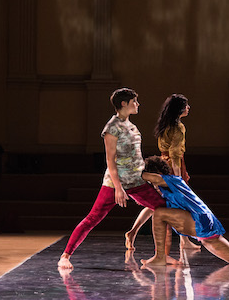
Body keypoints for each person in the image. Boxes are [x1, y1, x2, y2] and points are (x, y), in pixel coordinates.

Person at [57, 88, 166, 271]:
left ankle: (159, 253)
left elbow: (136, 156)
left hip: (137, 181)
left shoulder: (132, 126)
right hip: (115, 183)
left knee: (163, 208)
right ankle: (65, 255)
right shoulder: (111, 127)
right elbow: (110, 159)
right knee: (93, 217)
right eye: (134, 101)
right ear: (124, 103)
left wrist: (148, 176)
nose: (138, 104)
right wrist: (118, 188)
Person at [140, 156, 229, 266]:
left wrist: (124, 168)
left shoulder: (171, 179)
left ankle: (160, 256)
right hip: (204, 223)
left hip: (200, 220)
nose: (151, 184)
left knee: (160, 213)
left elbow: (147, 176)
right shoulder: (166, 188)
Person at [125, 93, 199, 251]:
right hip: (172, 166)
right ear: (179, 108)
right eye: (186, 105)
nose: (188, 108)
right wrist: (178, 178)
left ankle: (133, 232)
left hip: (162, 164)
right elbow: (175, 153)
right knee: (178, 203)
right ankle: (184, 241)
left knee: (156, 204)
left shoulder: (165, 124)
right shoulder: (178, 127)